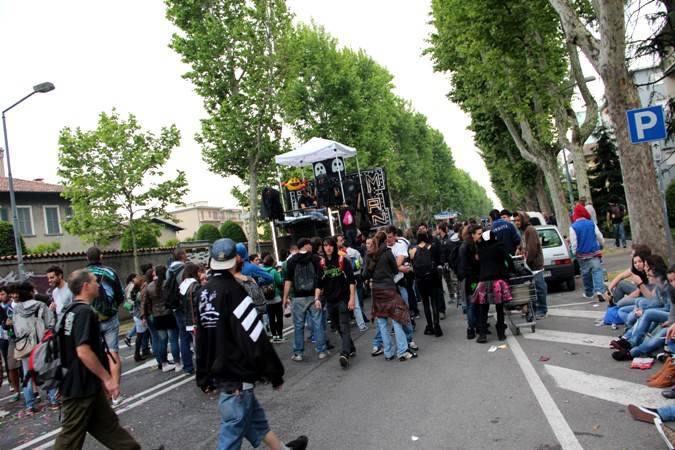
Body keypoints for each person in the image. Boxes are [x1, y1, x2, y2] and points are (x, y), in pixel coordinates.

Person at [195, 238, 308, 450]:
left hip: (222, 374)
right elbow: (255, 337)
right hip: (237, 378)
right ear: (236, 260)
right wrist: (274, 373)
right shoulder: (234, 291)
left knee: (257, 423)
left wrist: (203, 376)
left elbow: (201, 339)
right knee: (232, 433)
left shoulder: (203, 294)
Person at [54, 269, 144, 450]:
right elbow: (83, 351)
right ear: (86, 286)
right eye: (95, 281)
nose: (98, 284)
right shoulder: (84, 312)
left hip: (84, 383)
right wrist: (107, 378)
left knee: (109, 427)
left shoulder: (69, 311)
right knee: (70, 436)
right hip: (80, 387)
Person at [366, 231, 417, 361]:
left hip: (377, 291)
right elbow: (395, 270)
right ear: (385, 241)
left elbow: (365, 274)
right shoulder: (387, 253)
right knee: (397, 319)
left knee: (382, 322)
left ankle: (388, 353)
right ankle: (402, 351)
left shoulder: (370, 255)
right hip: (389, 288)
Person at [85, 246, 125, 405]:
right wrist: (112, 307)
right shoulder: (110, 272)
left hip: (90, 319)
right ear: (101, 256)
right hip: (110, 318)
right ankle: (115, 393)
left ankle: (103, 393)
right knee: (112, 353)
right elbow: (120, 295)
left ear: (87, 258)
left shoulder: (82, 275)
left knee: (94, 355)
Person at [12, 281, 59, 413]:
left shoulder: (16, 309)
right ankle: (54, 400)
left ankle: (29, 405)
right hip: (41, 344)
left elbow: (16, 328)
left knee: (27, 375)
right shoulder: (40, 305)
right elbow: (50, 323)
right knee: (48, 371)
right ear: (31, 292)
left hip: (25, 345)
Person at [283, 238, 326, 362]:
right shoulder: (315, 258)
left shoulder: (291, 261)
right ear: (306, 246)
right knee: (317, 323)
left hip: (298, 298)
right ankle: (321, 351)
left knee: (298, 325)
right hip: (314, 296)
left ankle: (298, 353)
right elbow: (321, 277)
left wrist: (285, 298)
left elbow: (288, 281)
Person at [318, 237, 357, 369]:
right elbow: (319, 284)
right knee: (338, 327)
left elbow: (352, 281)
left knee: (344, 326)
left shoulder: (342, 260)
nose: (328, 247)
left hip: (343, 299)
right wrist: (317, 299)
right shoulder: (322, 264)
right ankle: (350, 347)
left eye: (330, 245)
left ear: (334, 247)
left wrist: (352, 299)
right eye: (325, 245)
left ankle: (344, 354)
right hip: (330, 301)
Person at [474, 231, 515, 343]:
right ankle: (501, 333)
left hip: (483, 282)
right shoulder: (498, 247)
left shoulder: (480, 249)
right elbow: (509, 259)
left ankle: (482, 334)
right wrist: (511, 271)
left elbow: (477, 264)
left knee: (483, 309)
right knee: (499, 308)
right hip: (498, 281)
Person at [142, 265, 181, 372]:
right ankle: (177, 363)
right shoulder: (167, 284)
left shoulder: (149, 286)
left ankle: (164, 364)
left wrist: (146, 315)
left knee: (162, 341)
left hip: (157, 316)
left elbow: (146, 302)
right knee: (173, 340)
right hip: (168, 314)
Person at [569, 204, 606, 302]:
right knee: (597, 271)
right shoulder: (591, 223)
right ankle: (600, 291)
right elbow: (599, 236)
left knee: (586, 273)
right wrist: (602, 244)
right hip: (594, 252)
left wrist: (574, 253)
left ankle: (589, 293)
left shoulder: (573, 227)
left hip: (582, 255)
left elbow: (574, 243)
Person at [410, 231, 443, 337]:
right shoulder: (431, 247)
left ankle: (430, 326)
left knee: (425, 303)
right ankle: (437, 326)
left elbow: (411, 264)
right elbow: (438, 261)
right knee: (434, 301)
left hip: (420, 280)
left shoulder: (413, 250)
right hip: (432, 278)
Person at [515, 211, 547, 318]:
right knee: (533, 289)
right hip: (530, 265)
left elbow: (532, 249)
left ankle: (542, 310)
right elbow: (522, 244)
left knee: (539, 288)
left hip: (535, 265)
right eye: (515, 221)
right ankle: (535, 309)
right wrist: (519, 249)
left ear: (524, 220)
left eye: (518, 220)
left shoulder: (530, 230)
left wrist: (526, 262)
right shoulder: (524, 231)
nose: (516, 223)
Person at [168, 248, 193, 374]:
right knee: (194, 335)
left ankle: (188, 366)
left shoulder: (169, 270)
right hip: (185, 306)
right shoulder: (183, 269)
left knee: (183, 336)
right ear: (182, 256)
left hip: (175, 307)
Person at [457, 224, 482, 339]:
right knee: (472, 305)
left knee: (476, 304)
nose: (481, 236)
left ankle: (477, 326)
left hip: (476, 279)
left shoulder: (476, 245)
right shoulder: (465, 247)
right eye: (479, 234)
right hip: (470, 280)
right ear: (472, 235)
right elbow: (466, 266)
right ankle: (470, 328)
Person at [262, 255, 285, 343]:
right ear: (272, 262)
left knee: (271, 318)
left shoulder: (261, 271)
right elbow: (279, 282)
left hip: (266, 298)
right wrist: (280, 274)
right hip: (275, 297)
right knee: (279, 317)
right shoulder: (273, 271)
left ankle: (274, 336)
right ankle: (280, 335)